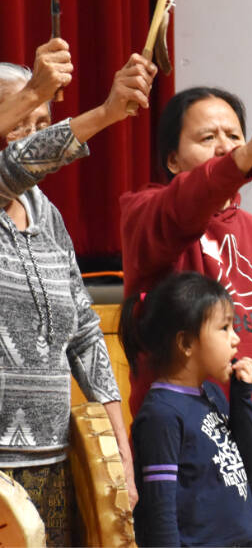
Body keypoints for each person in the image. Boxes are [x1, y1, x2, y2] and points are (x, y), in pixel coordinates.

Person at [119, 87, 252, 547]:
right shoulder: (147, 215)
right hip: (192, 447)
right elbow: (182, 207)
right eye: (206, 137)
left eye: (233, 135)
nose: (223, 146)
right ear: (173, 160)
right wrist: (245, 155)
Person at [0, 39, 156, 545]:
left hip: (52, 463)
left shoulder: (48, 216)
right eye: (17, 119)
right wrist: (107, 112)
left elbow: (85, 336)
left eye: (41, 125)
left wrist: (120, 454)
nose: (29, 139)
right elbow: (15, 165)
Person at [121, 271, 252, 547]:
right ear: (186, 343)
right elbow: (160, 511)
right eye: (224, 328)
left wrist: (242, 398)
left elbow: (250, 469)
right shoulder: (161, 414)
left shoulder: (210, 394)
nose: (235, 339)